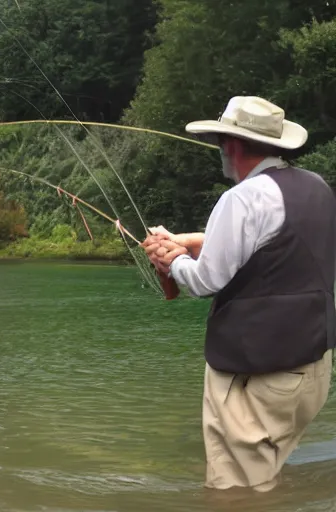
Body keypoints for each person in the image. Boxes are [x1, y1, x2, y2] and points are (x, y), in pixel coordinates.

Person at [142, 96, 336, 492]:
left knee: (237, 493)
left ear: (232, 145)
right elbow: (277, 248)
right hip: (311, 373)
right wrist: (189, 243)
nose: (220, 153)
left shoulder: (242, 199)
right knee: (264, 478)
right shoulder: (317, 188)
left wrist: (171, 259)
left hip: (257, 377)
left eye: (220, 144)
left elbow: (203, 282)